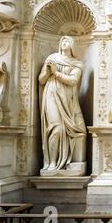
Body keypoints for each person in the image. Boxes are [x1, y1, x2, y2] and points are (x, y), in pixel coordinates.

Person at [39, 36, 86, 173]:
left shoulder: (77, 63)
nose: (64, 43)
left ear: (72, 46)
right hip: (51, 95)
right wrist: (48, 72)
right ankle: (52, 162)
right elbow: (41, 80)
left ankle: (63, 162)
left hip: (67, 100)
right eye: (63, 41)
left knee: (69, 129)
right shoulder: (52, 58)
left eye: (67, 41)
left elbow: (73, 80)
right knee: (57, 128)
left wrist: (55, 72)